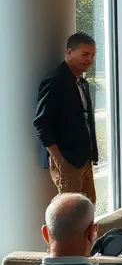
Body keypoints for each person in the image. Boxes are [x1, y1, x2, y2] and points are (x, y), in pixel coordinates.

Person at [34, 33, 99, 201]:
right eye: (85, 54)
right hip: (68, 160)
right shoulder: (55, 80)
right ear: (69, 52)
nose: (89, 59)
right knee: (70, 214)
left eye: (92, 55)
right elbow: (41, 123)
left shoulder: (80, 81)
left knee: (88, 207)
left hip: (84, 158)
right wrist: (59, 160)